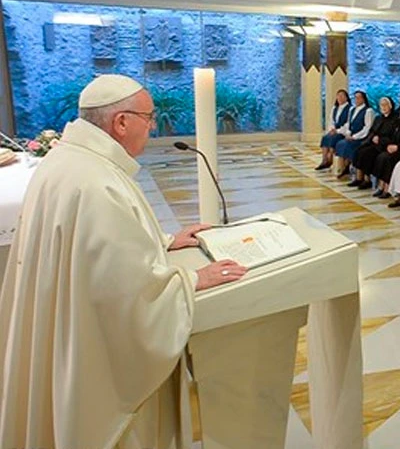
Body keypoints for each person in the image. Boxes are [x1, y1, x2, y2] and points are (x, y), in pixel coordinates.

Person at [0, 75, 247, 448]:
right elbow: (125, 296)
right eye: (148, 118)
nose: (152, 126)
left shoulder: (72, 161)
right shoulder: (96, 183)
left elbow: (96, 250)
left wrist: (163, 242)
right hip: (97, 366)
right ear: (121, 122)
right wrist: (192, 279)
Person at [350, 96, 400, 190]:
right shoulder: (378, 118)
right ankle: (360, 178)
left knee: (367, 153)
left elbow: (393, 136)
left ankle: (367, 179)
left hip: (384, 145)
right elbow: (372, 131)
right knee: (360, 150)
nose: (383, 107)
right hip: (374, 143)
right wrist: (372, 138)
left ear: (390, 106)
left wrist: (380, 140)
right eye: (382, 105)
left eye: (385, 105)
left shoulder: (395, 120)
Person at [334, 90, 376, 177]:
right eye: (355, 98)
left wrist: (355, 137)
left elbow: (367, 128)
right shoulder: (352, 110)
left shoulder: (368, 111)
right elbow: (349, 124)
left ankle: (351, 168)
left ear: (363, 99)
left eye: (358, 98)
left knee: (347, 145)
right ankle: (342, 167)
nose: (356, 100)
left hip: (361, 138)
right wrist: (348, 134)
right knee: (340, 143)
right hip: (351, 136)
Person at [316, 89, 351, 170]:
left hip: (343, 132)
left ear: (346, 98)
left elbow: (348, 123)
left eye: (342, 96)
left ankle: (330, 159)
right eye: (338, 96)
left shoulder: (350, 109)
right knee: (325, 137)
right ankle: (324, 160)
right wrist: (332, 129)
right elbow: (331, 120)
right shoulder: (335, 108)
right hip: (334, 131)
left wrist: (337, 131)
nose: (340, 98)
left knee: (334, 138)